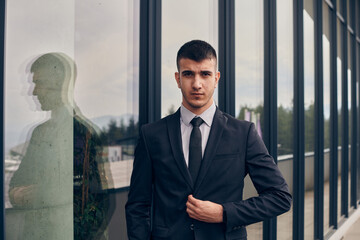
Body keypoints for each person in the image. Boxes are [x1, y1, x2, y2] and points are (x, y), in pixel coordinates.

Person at [125, 40, 291, 240]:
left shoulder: (243, 133)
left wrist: (224, 213)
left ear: (216, 78)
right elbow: (137, 206)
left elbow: (280, 197)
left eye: (205, 74)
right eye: (188, 74)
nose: (197, 84)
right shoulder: (151, 135)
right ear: (178, 79)